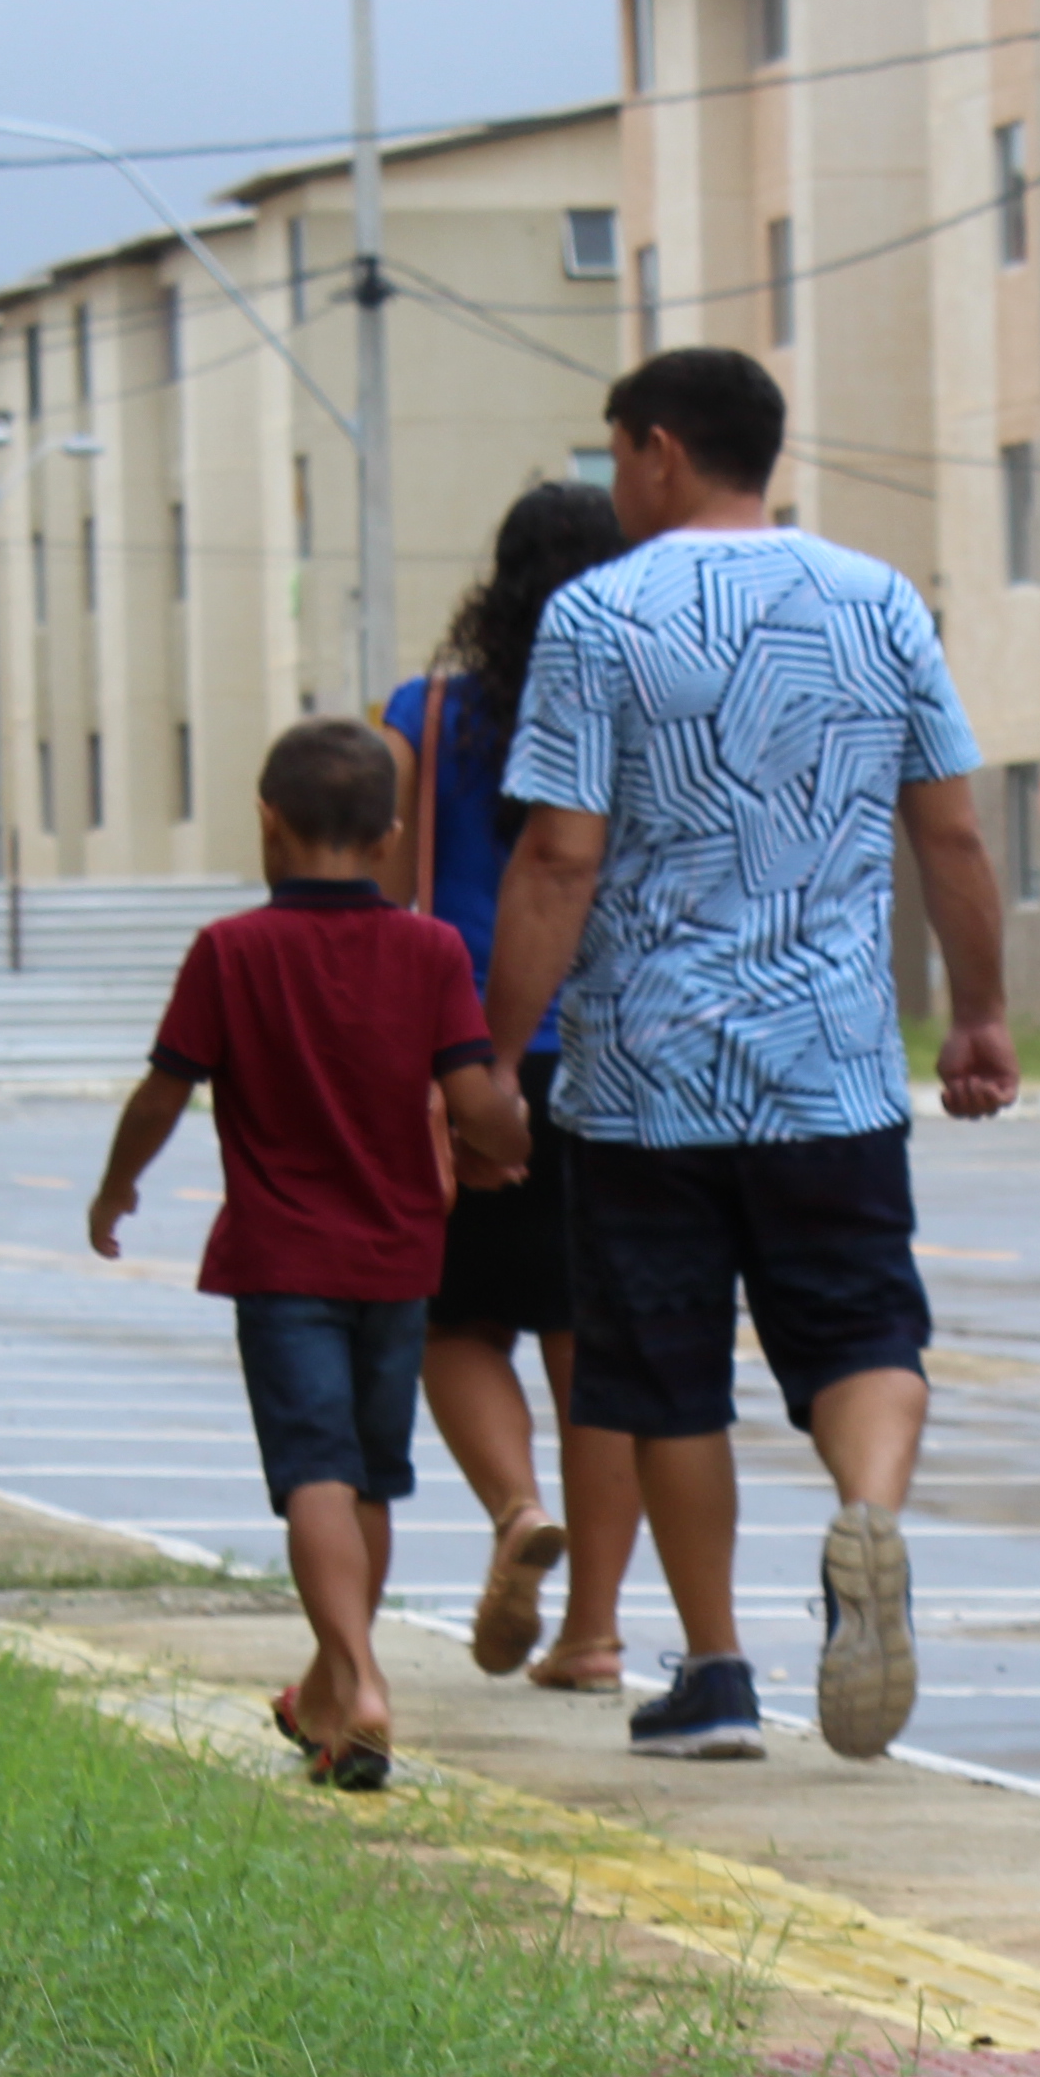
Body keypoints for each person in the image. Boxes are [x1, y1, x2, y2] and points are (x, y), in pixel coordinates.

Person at [486, 346, 1019, 1763]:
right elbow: (951, 833)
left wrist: (488, 1055)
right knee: (862, 1330)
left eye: (617, 459)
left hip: (645, 1080)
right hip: (831, 1067)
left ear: (662, 449)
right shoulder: (880, 600)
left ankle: (715, 1672)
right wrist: (980, 1012)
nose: (613, 489)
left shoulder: (599, 617)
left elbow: (557, 855)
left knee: (662, 1376)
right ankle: (871, 1519)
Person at [88, 718, 527, 1795]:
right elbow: (478, 1104)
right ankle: (330, 1702)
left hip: (282, 1259)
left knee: (312, 1478)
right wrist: (501, 1151)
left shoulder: (231, 951)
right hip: (400, 1261)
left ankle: (361, 1682)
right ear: (388, 836)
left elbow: (163, 1092)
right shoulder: (431, 952)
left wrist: (118, 1186)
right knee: (370, 1479)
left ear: (268, 824)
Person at [380, 481, 642, 1689]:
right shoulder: (641, 698)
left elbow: (382, 891)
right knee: (593, 1341)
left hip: (461, 1043)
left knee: (453, 1318)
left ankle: (512, 1506)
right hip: (610, 1048)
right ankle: (591, 1634)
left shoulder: (422, 713)